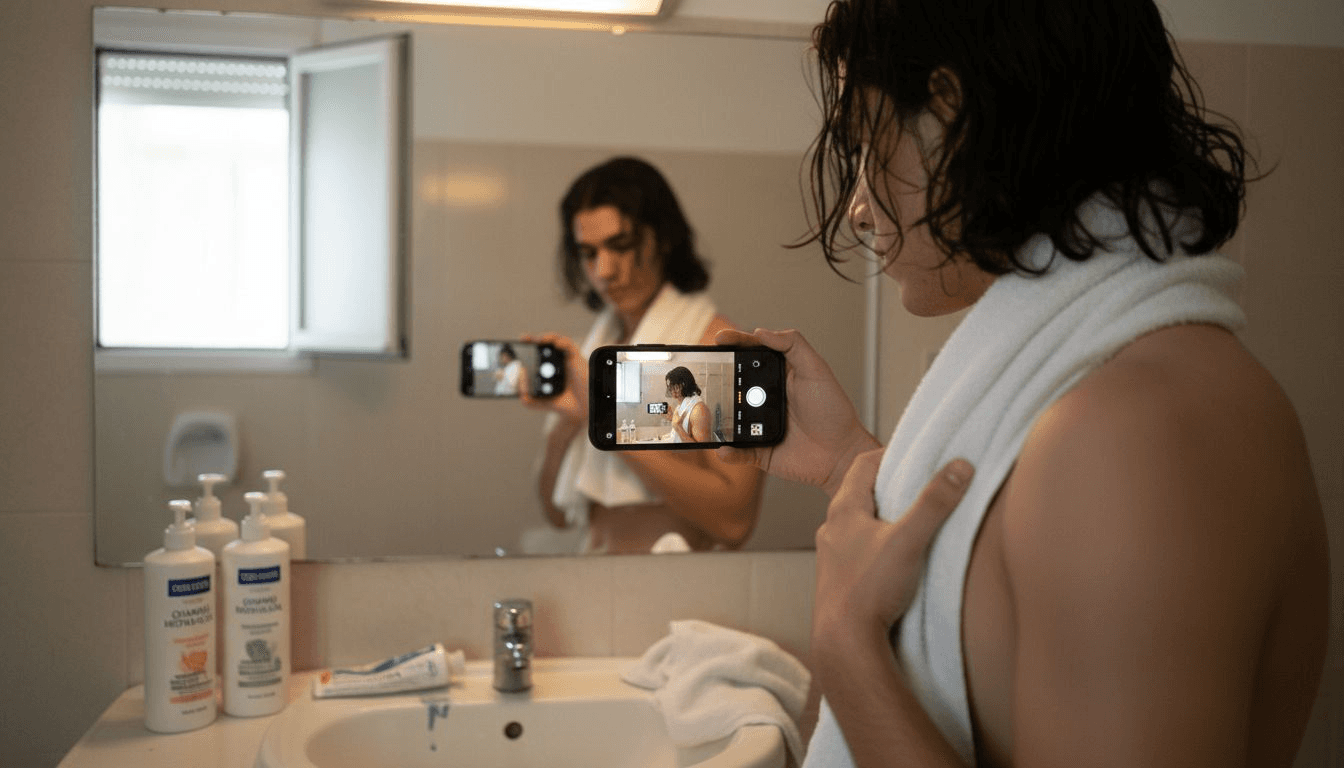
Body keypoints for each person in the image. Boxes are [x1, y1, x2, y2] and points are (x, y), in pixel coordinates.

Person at [716, 1, 1330, 766]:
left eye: (864, 143)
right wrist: (854, 466)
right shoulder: (1113, 409)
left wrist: (848, 647)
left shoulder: (1131, 441)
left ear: (949, 114)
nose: (860, 207)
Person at [524, 157, 764, 554]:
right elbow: (556, 513)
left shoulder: (714, 343)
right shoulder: (598, 346)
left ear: (663, 237)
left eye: (621, 246)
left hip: (675, 587)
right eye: (588, 253)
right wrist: (571, 422)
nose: (604, 271)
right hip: (596, 575)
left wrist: (605, 416)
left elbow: (734, 520)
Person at [664, 366, 712, 443]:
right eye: (671, 388)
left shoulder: (699, 410)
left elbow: (703, 451)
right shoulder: (681, 406)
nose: (673, 393)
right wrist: (673, 419)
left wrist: (678, 427)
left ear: (685, 385)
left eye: (676, 388)